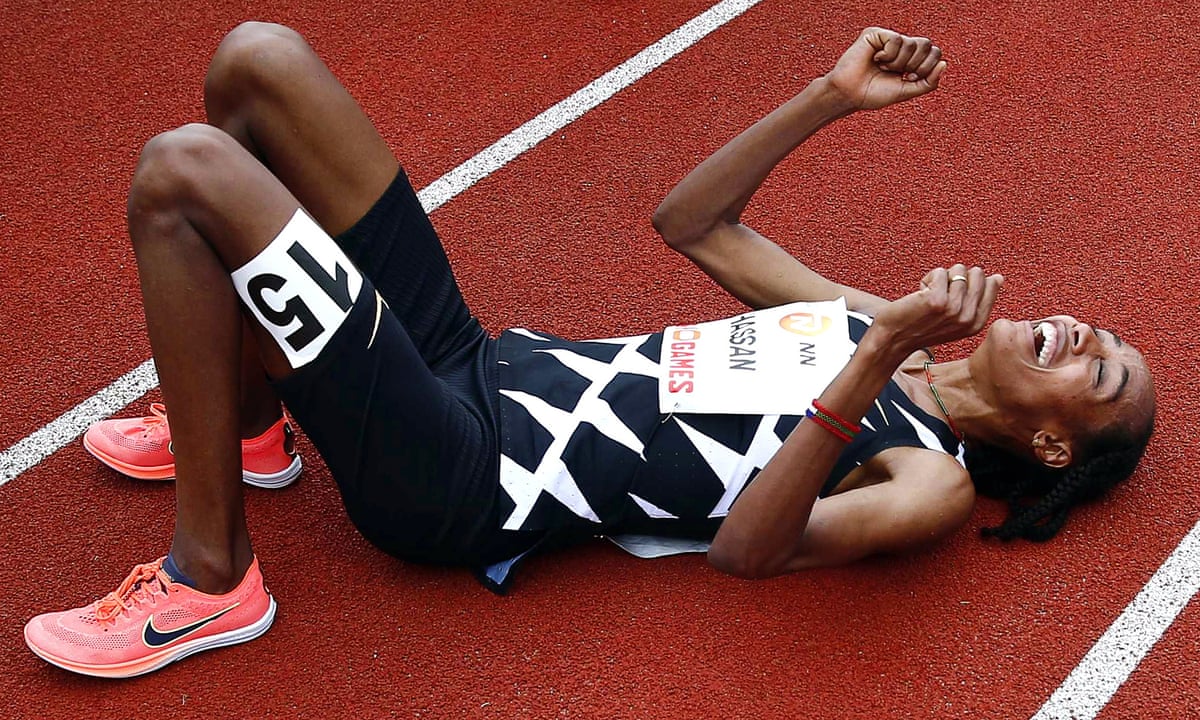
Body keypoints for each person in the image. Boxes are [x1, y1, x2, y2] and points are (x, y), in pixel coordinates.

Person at [25, 23, 1154, 679]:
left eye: (1099, 371)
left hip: (465, 478)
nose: (1086, 337)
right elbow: (692, 225)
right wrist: (830, 96)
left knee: (185, 172)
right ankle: (247, 430)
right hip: (470, 362)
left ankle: (213, 575)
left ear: (1054, 446)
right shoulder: (879, 329)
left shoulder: (932, 480)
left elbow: (750, 552)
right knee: (257, 65)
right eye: (1103, 335)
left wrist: (876, 358)